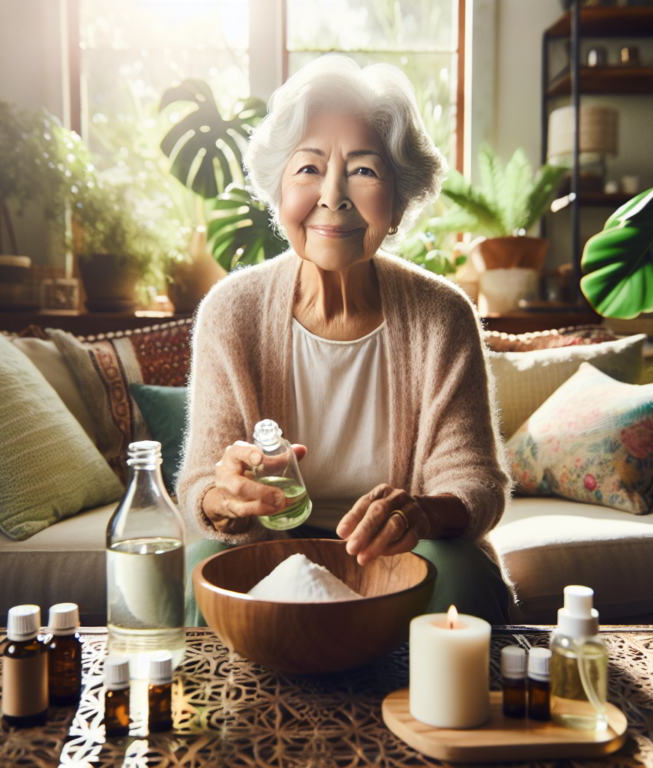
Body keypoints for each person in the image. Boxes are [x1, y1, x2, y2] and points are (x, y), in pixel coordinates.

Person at [177, 54, 512, 626]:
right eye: (308, 168)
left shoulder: (442, 315)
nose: (333, 196)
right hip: (267, 545)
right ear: (278, 188)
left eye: (364, 170)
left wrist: (420, 514)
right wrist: (226, 497)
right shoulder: (231, 311)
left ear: (399, 196)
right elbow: (200, 486)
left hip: (399, 555)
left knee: (462, 580)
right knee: (203, 574)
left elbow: (475, 482)